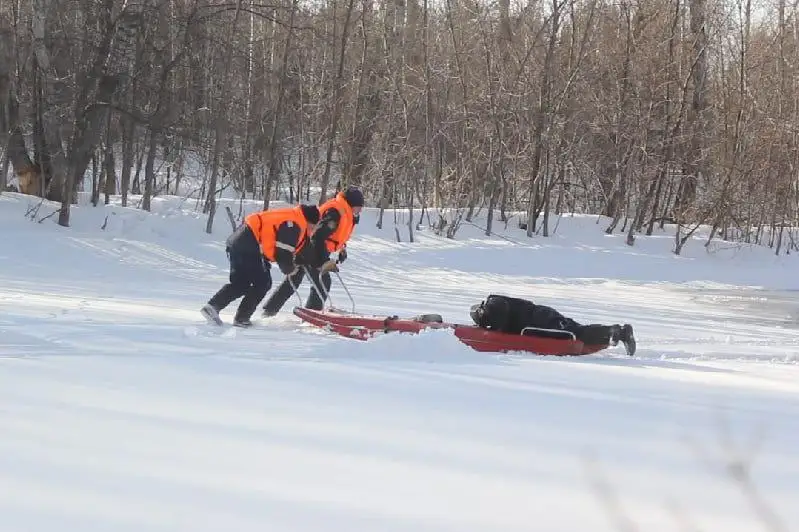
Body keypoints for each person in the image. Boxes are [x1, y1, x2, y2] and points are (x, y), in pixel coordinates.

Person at [201, 204, 321, 327]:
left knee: (241, 284)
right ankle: (242, 318)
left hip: (238, 242)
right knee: (263, 283)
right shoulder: (293, 224)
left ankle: (212, 307)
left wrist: (319, 263)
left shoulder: (293, 218)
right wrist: (289, 268)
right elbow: (283, 251)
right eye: (314, 227)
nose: (313, 231)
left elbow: (304, 248)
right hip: (249, 245)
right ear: (309, 222)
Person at [262, 186, 364, 316]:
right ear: (351, 203)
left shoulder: (346, 212)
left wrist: (342, 249)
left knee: (294, 279)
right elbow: (317, 236)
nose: (360, 209)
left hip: (311, 246)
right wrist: (323, 261)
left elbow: (336, 234)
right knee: (322, 282)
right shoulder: (335, 212)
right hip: (310, 247)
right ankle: (312, 314)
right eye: (358, 206)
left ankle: (269, 310)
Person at [469, 294, 637, 355]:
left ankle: (618, 331)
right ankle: (611, 334)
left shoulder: (493, 303)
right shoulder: (494, 303)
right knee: (574, 330)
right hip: (538, 318)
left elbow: (500, 316)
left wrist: (494, 329)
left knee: (574, 333)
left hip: (538, 320)